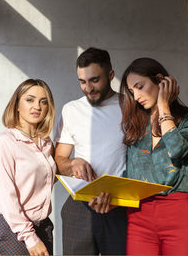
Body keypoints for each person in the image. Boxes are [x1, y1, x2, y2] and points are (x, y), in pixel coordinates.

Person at [89, 57, 188, 255]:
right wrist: (112, 200)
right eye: (132, 92)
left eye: (139, 86)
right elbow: (132, 175)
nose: (136, 96)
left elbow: (177, 150)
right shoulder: (135, 126)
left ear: (160, 80)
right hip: (139, 217)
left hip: (179, 214)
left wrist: (164, 107)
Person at [54, 47, 127, 255]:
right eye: (82, 82)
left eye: (94, 80)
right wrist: (72, 163)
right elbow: (59, 159)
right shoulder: (71, 110)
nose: (88, 88)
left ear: (111, 75)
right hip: (79, 208)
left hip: (119, 206)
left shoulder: (130, 107)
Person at [0, 79, 56, 255]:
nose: (37, 107)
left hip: (43, 226)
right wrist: (29, 237)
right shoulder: (5, 143)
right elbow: (6, 196)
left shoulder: (46, 144)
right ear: (17, 105)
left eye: (43, 101)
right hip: (12, 230)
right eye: (30, 100)